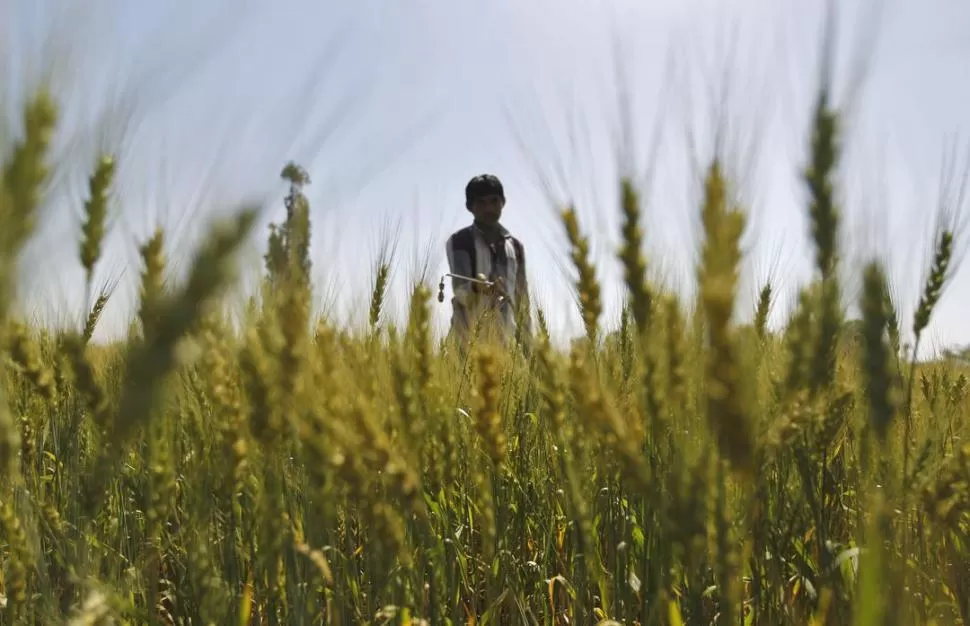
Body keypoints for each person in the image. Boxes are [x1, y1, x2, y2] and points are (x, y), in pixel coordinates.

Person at [445, 174, 531, 352]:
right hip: (466, 344)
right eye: (481, 203)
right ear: (470, 207)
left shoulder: (515, 247)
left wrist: (528, 345)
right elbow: (460, 291)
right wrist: (477, 287)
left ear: (503, 202)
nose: (489, 208)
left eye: (494, 201)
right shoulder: (460, 241)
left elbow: (523, 301)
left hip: (506, 343)